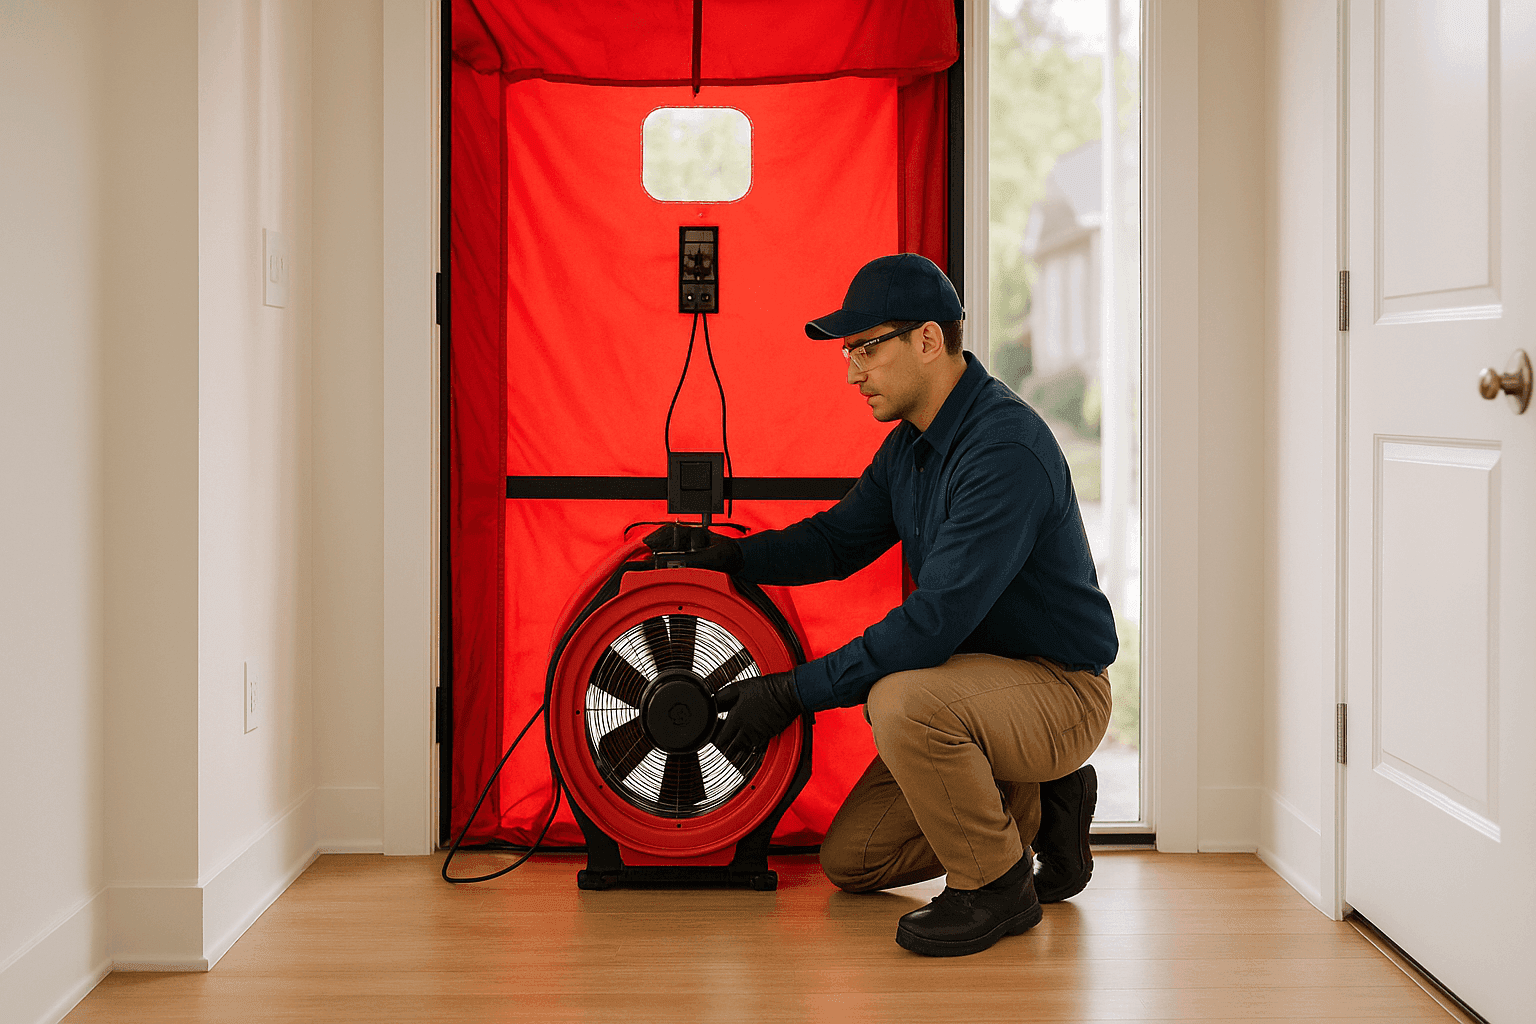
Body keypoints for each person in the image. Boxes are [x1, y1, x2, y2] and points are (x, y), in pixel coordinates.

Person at [645, 253, 1116, 957]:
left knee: (901, 700)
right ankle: (1039, 804)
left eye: (865, 346)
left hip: (1059, 689)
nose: (851, 370)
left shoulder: (1004, 450)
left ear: (927, 340)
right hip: (974, 691)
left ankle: (997, 886)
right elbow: (839, 540)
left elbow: (932, 627)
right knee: (853, 861)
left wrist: (792, 694)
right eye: (848, 351)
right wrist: (736, 555)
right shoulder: (910, 448)